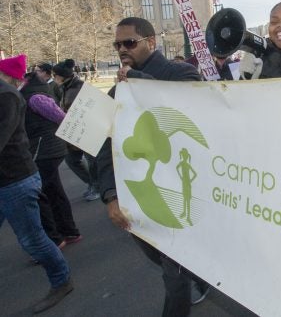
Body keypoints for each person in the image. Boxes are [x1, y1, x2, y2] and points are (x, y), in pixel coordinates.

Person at [96, 17, 210, 315]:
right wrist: (110, 195)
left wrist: (137, 79)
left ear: (151, 42)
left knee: (173, 274)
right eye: (117, 44)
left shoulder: (180, 73)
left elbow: (193, 101)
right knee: (160, 257)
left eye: (129, 43)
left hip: (174, 194)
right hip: (137, 198)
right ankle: (201, 274)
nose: (122, 49)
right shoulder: (116, 92)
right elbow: (103, 147)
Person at [0, 54, 73, 314]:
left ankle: (61, 281)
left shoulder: (8, 95)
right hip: (15, 175)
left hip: (17, 178)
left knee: (33, 240)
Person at [21, 72, 82, 248]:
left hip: (44, 150)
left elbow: (60, 116)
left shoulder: (35, 97)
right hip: (45, 149)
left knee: (42, 194)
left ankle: (55, 238)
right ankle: (68, 231)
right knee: (53, 191)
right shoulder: (30, 94)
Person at [53, 58, 100, 201]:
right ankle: (93, 184)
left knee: (91, 161)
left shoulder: (77, 87)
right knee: (73, 160)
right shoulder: (66, 87)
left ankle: (98, 187)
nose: (54, 78)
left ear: (61, 76)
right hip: (74, 132)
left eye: (55, 75)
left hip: (85, 131)